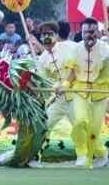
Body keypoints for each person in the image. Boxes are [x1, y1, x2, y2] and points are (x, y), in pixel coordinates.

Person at [56, 18, 109, 168]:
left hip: (100, 93)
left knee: (94, 129)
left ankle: (100, 155)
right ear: (81, 32)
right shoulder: (76, 49)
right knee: (79, 122)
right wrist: (65, 85)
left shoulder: (105, 49)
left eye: (92, 32)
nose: (89, 35)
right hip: (80, 91)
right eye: (86, 32)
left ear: (97, 32)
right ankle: (82, 154)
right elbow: (72, 71)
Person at [25, 22, 74, 164]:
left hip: (76, 96)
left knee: (82, 127)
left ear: (57, 35)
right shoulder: (42, 59)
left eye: (50, 34)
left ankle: (97, 156)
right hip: (58, 100)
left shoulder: (70, 47)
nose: (46, 37)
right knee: (45, 126)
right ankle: (35, 156)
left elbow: (78, 68)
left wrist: (66, 84)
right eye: (43, 34)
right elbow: (44, 82)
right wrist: (30, 84)